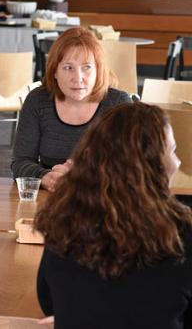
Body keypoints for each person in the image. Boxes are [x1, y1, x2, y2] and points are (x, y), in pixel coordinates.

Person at [34, 102, 192, 329]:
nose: (178, 162)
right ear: (152, 164)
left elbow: (49, 302)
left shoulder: (64, 220)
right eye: (173, 150)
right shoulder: (183, 233)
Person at [11, 26, 132, 191]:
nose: (78, 78)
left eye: (87, 67)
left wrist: (82, 173)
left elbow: (130, 167)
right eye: (68, 68)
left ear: (98, 71)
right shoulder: (37, 101)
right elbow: (20, 162)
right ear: (54, 71)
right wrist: (44, 177)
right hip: (51, 198)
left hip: (105, 199)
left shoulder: (118, 104)